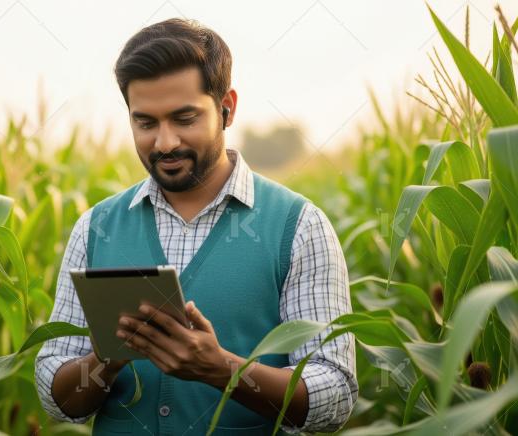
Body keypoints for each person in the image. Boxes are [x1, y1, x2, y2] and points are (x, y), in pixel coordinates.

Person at [35, 17, 357, 435]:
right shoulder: (95, 228)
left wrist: (222, 370)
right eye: (145, 122)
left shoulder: (299, 227)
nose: (164, 142)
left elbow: (334, 395)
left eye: (184, 118)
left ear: (227, 109)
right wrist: (105, 361)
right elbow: (56, 398)